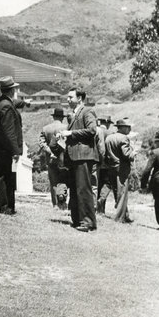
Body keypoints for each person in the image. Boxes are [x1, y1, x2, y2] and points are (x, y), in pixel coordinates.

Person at [60, 88, 99, 232]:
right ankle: (78, 220)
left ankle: (87, 222)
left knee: (83, 189)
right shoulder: (74, 114)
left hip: (83, 156)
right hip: (74, 157)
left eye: (71, 97)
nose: (68, 99)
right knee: (75, 189)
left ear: (80, 98)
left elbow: (92, 131)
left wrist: (70, 133)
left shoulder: (87, 111)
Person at [0, 75, 24, 215]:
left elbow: (14, 103)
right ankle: (6, 207)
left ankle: (3, 205)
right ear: (11, 90)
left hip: (1, 146)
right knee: (7, 177)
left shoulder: (1, 102)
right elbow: (9, 131)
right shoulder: (6, 106)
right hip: (6, 148)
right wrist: (15, 150)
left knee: (4, 176)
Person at [102, 118, 135, 223]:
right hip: (122, 169)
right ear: (123, 128)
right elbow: (126, 154)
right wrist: (133, 154)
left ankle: (125, 215)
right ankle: (120, 218)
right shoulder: (124, 138)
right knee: (122, 193)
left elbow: (105, 153)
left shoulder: (109, 137)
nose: (130, 129)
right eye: (128, 127)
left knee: (118, 192)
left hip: (111, 167)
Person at [38, 107, 68, 210]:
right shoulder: (66, 127)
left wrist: (49, 152)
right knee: (64, 180)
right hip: (63, 160)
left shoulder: (46, 128)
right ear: (62, 118)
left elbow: (42, 143)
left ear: (54, 117)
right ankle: (63, 202)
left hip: (50, 159)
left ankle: (55, 205)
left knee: (53, 182)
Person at [140, 129, 159, 230]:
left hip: (158, 182)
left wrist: (143, 185)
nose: (155, 143)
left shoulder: (155, 153)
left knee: (158, 203)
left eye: (156, 142)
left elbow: (147, 170)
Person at [93, 115, 113, 210]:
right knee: (108, 183)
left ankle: (98, 208)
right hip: (106, 163)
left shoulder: (95, 131)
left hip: (95, 162)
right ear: (108, 123)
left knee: (98, 184)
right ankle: (101, 201)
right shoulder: (110, 133)